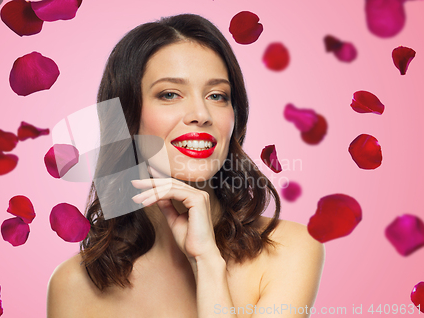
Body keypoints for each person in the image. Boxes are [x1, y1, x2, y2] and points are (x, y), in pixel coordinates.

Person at [47, 13, 325, 318]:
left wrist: (206, 263)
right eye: (169, 94)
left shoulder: (289, 250)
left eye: (217, 95)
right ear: (126, 118)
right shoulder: (74, 285)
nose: (200, 113)